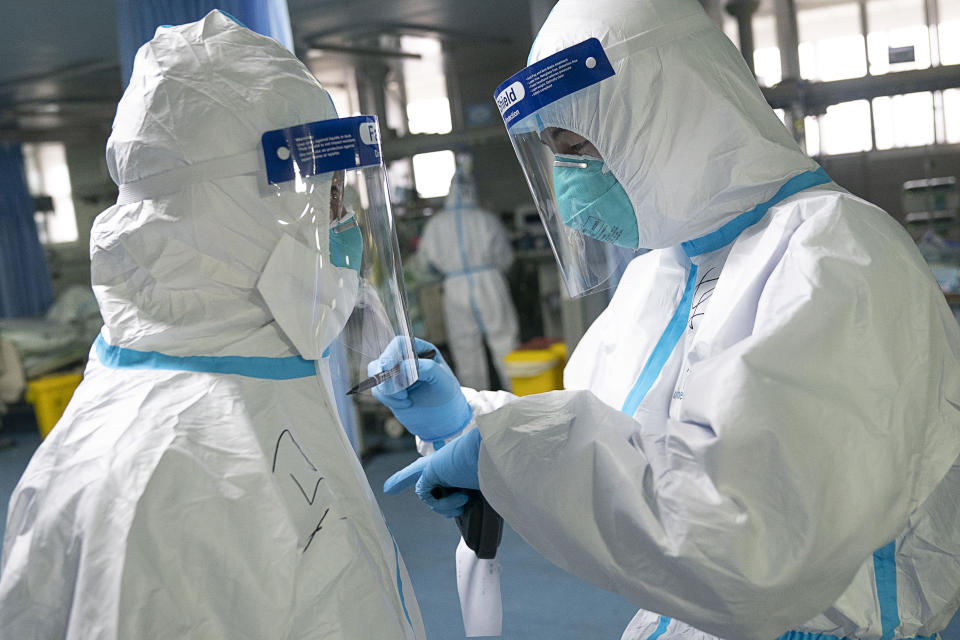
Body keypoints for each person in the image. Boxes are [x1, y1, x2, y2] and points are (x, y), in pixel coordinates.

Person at [373, 1, 960, 639]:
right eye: (556, 155)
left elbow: (750, 547)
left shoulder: (837, 255)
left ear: (669, 118)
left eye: (579, 148)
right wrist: (471, 420)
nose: (570, 183)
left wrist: (508, 452)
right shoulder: (665, 271)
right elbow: (617, 433)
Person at [0, 11, 425, 639]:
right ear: (243, 215)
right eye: (329, 197)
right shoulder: (163, 489)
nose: (343, 223)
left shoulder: (239, 379)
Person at [417, 164, 519, 391]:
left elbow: (424, 263)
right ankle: (518, 399)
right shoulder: (486, 219)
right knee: (505, 343)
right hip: (489, 282)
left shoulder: (436, 224)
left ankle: (476, 408)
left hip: (454, 287)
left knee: (466, 350)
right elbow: (505, 256)